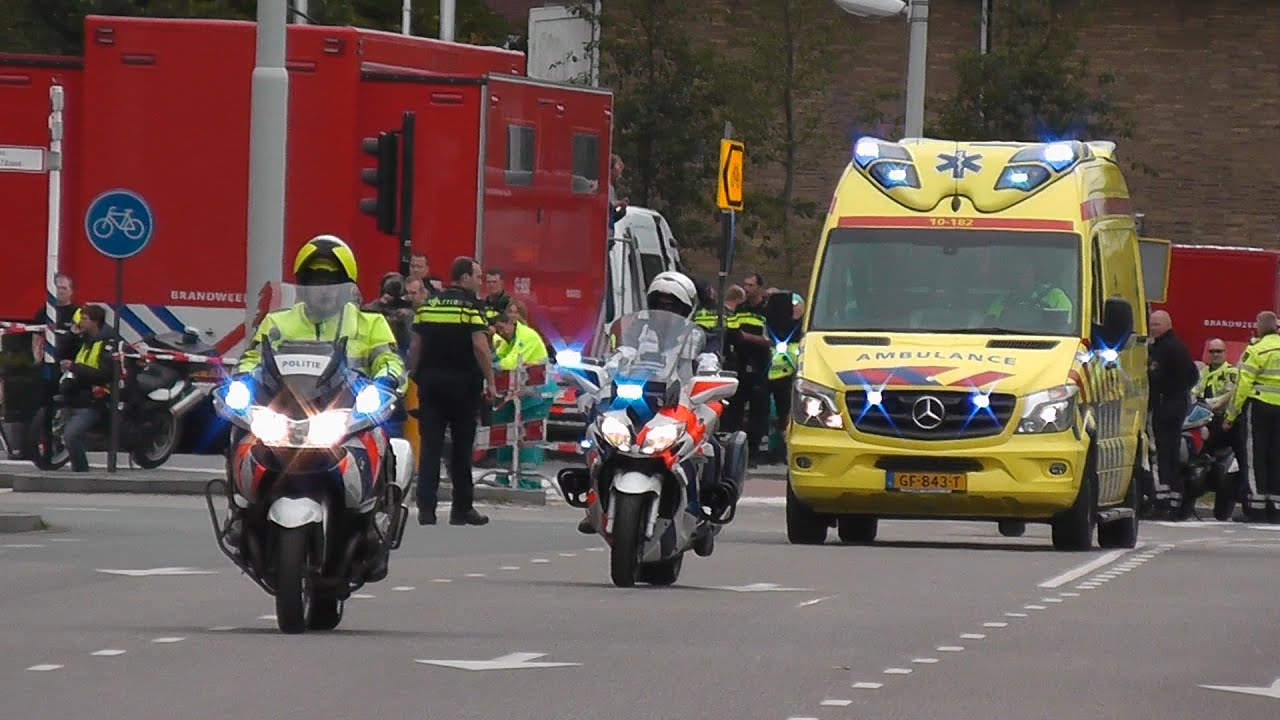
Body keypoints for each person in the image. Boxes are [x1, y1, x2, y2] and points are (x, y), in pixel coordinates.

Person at [232, 234, 408, 580]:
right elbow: (253, 357)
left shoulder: (369, 323)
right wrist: (242, 377)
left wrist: (386, 380)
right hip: (284, 412)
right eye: (315, 282)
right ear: (302, 285)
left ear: (347, 287)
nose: (323, 290)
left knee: (385, 439)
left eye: (332, 283)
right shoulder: (278, 322)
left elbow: (390, 360)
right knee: (240, 429)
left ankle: (376, 523)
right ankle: (239, 513)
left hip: (343, 413)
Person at [409, 256, 496, 527]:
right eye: (477, 277)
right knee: (460, 449)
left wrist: (413, 374)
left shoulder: (429, 305)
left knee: (431, 447)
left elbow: (416, 346)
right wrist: (490, 380)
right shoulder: (471, 307)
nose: (480, 283)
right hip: (463, 387)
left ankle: (426, 509)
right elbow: (481, 347)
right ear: (464, 278)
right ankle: (461, 509)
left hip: (430, 385)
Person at [490, 307, 554, 489]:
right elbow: (500, 355)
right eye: (498, 330)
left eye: (503, 328)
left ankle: (529, 480)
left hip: (536, 395)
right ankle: (502, 476)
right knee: (504, 434)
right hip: (515, 394)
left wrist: (493, 364)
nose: (501, 333)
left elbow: (511, 361)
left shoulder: (526, 336)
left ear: (512, 323)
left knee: (529, 437)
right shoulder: (505, 339)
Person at [1225, 311, 1280, 524]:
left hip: (1259, 408)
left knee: (1255, 457)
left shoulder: (1256, 350)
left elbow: (1243, 385)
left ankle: (1257, 508)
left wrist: (1231, 414)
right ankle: (1276, 509)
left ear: (1260, 327)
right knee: (1277, 458)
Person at [1147, 309, 1199, 519]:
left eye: (1156, 324)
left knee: (1159, 453)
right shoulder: (1180, 347)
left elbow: (1153, 379)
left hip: (1163, 406)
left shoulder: (1162, 349)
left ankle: (1162, 503)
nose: (1152, 328)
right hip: (1178, 405)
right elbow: (1193, 376)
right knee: (1172, 453)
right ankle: (1175, 501)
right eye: (1151, 324)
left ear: (1168, 324)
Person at [1194, 337, 1250, 512]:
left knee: (1242, 456)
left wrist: (1215, 404)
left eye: (1219, 351)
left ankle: (1240, 491)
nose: (1215, 355)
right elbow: (1193, 392)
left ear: (1225, 353)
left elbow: (1233, 393)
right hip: (1202, 417)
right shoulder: (1203, 373)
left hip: (1223, 420)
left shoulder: (1231, 372)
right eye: (1212, 351)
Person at [723, 272, 771, 466]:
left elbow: (771, 340)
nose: (747, 288)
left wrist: (748, 338)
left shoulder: (767, 310)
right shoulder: (740, 308)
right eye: (746, 284)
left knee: (759, 410)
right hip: (740, 363)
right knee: (734, 408)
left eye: (751, 285)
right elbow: (732, 332)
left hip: (760, 365)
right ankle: (733, 450)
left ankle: (754, 451)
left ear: (759, 287)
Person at [59, 304, 113, 473]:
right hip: (76, 393)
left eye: (84, 319)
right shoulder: (85, 338)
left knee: (71, 435)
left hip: (94, 399)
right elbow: (61, 352)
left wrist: (74, 367)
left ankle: (81, 471)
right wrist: (71, 335)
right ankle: (78, 468)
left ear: (95, 322)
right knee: (68, 435)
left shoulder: (108, 344)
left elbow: (104, 374)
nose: (80, 322)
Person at [984, 265, 1072, 325]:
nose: (1020, 278)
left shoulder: (1056, 296)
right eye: (1017, 274)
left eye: (1025, 272)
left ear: (1034, 274)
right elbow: (987, 326)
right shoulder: (1002, 301)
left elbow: (1066, 327)